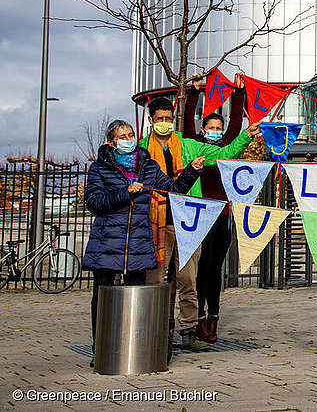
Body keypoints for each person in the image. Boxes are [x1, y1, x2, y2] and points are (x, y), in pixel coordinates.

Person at [139, 96, 258, 351]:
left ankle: (188, 330)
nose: (164, 123)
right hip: (156, 222)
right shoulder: (141, 150)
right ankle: (159, 331)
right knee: (158, 280)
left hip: (187, 222)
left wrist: (245, 135)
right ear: (151, 121)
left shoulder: (188, 145)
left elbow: (225, 153)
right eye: (159, 119)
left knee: (188, 279)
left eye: (168, 119)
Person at [82, 120, 204, 362]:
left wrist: (192, 170)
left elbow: (174, 188)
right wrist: (124, 193)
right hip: (107, 242)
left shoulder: (148, 166)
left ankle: (133, 349)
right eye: (122, 136)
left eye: (130, 134)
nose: (128, 139)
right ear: (111, 142)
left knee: (136, 297)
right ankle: (101, 349)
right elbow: (94, 202)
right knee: (103, 298)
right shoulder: (100, 168)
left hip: (138, 242)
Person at [194, 112, 235, 344]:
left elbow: (236, 124)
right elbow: (188, 122)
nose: (215, 131)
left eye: (219, 127)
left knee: (216, 269)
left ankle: (213, 317)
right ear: (203, 129)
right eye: (211, 127)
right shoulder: (198, 149)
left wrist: (239, 94)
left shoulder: (226, 150)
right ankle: (198, 317)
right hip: (202, 214)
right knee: (202, 268)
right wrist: (194, 92)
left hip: (223, 215)